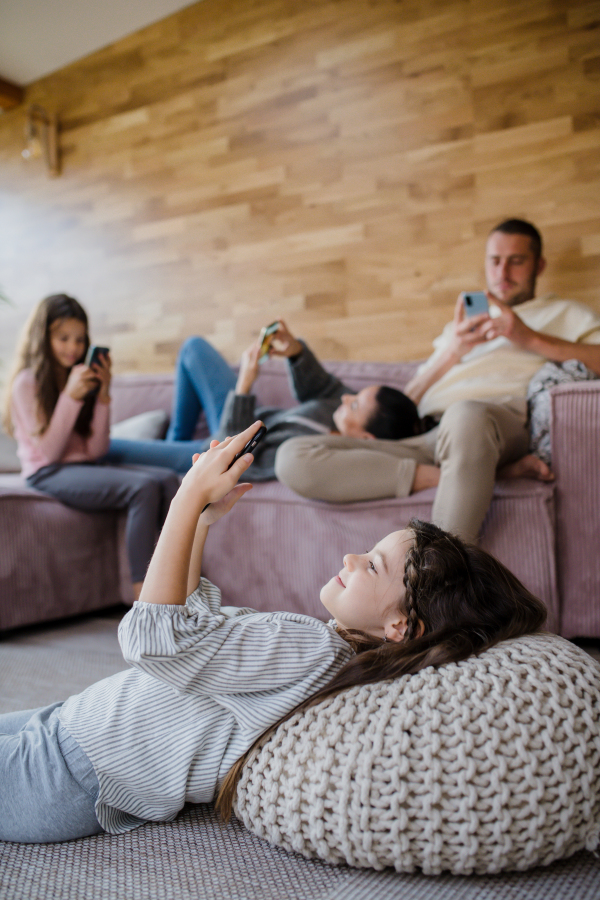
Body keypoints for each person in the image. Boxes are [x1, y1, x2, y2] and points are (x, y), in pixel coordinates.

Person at [0, 422, 547, 843]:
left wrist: (185, 500)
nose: (352, 557)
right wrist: (203, 525)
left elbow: (152, 639)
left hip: (68, 770)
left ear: (400, 626)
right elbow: (194, 626)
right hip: (71, 728)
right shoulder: (322, 649)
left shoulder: (312, 650)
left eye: (374, 565)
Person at [275, 219, 600, 542]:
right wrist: (453, 351)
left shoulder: (564, 313)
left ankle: (442, 576)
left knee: (465, 414)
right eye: (495, 261)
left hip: (492, 425)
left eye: (516, 261)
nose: (502, 273)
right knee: (291, 457)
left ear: (539, 265)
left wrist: (528, 338)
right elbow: (407, 399)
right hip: (423, 436)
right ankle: (462, 474)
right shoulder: (457, 331)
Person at [106, 319, 439, 489]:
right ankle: (175, 442)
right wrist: (294, 350)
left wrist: (245, 384)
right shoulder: (335, 409)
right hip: (243, 415)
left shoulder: (319, 455)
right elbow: (323, 385)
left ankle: (174, 452)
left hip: (223, 447)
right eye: (357, 394)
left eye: (354, 405)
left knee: (109, 447)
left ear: (365, 439)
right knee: (193, 348)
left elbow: (227, 454)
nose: (347, 397)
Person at [4, 294, 180, 600]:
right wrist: (70, 397)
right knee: (143, 488)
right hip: (47, 472)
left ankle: (185, 583)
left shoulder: (80, 377)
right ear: (43, 337)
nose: (73, 348)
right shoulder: (26, 383)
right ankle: (145, 598)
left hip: (84, 466)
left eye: (79, 339)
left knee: (165, 479)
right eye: (63, 338)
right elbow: (49, 452)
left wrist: (103, 396)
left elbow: (97, 450)